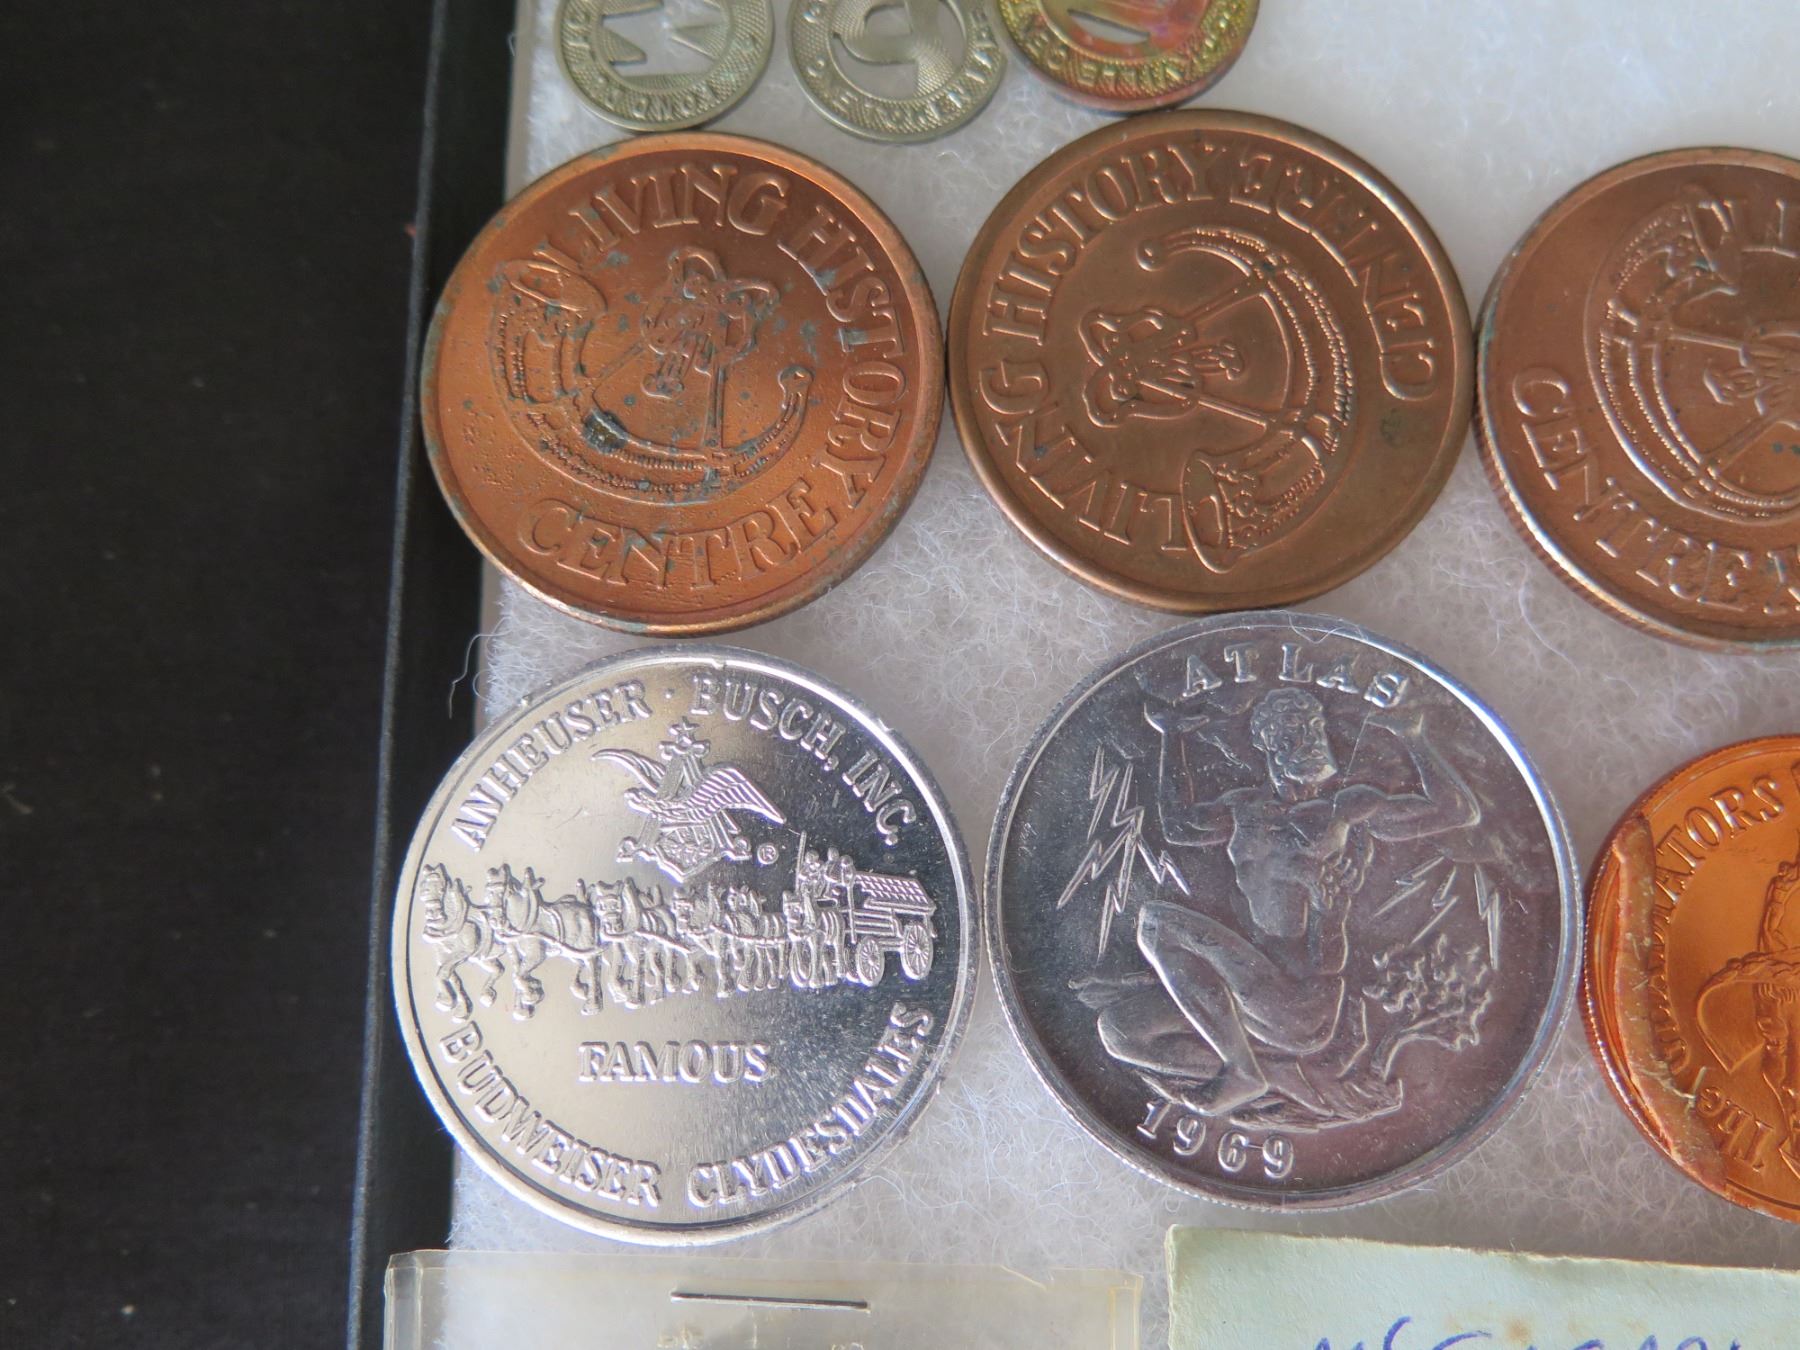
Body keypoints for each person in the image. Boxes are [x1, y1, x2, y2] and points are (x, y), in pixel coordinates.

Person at [1097, 686, 1479, 1119]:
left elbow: (1454, 812)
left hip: (1302, 1002)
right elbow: (1181, 826)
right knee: (1118, 1032)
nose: (1309, 739)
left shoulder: (1346, 808)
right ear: (1266, 742)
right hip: (1247, 988)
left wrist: (1414, 736)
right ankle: (1271, 1073)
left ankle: (1242, 1071)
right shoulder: (1245, 807)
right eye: (1292, 731)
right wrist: (1171, 735)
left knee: (1156, 923)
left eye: (1315, 727)